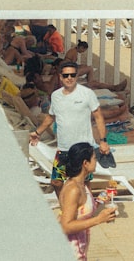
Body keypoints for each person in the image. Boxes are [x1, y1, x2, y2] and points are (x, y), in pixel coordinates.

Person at [30, 61, 111, 195]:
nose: (69, 78)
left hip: (83, 148)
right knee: (56, 182)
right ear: (60, 77)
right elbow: (51, 117)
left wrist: (103, 141)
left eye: (72, 75)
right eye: (66, 75)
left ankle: (85, 211)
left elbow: (98, 117)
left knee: (84, 183)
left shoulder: (87, 93)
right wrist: (37, 132)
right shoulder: (56, 96)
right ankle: (66, 207)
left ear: (77, 76)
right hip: (64, 148)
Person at [58, 142, 117, 260]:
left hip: (80, 251)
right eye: (94, 158)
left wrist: (102, 198)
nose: (96, 161)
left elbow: (81, 212)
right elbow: (65, 226)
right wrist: (99, 219)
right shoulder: (73, 189)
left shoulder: (81, 184)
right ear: (85, 163)